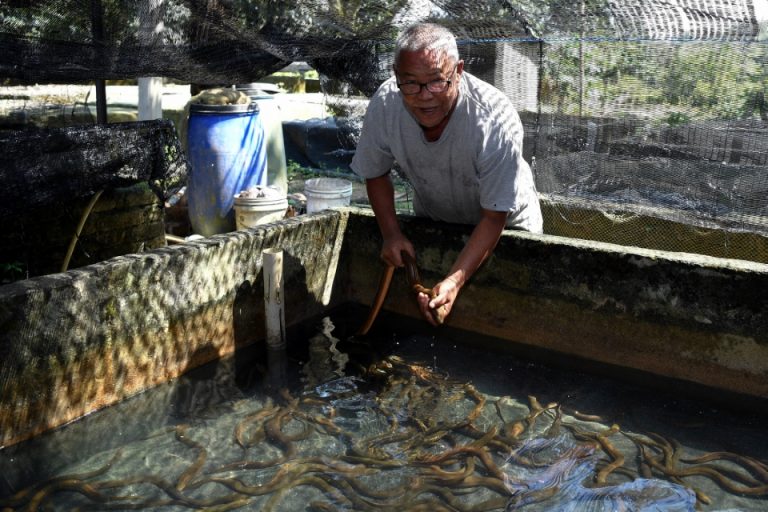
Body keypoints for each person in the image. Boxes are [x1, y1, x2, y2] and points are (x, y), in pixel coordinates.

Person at [350, 22, 543, 326]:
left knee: (508, 321)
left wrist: (454, 281)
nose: (424, 96)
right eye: (410, 83)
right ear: (396, 74)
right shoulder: (386, 103)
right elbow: (375, 172)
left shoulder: (494, 120)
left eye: (437, 81)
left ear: (459, 71)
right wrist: (391, 234)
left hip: (506, 227)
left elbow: (494, 217)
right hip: (437, 218)